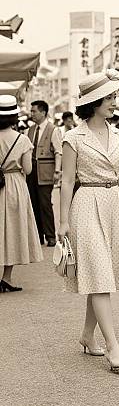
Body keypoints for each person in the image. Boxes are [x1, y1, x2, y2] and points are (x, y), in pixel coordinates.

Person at [59, 69, 119, 372]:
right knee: (100, 274)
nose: (114, 102)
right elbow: (67, 182)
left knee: (99, 276)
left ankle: (86, 335)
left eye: (115, 97)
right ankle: (112, 345)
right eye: (109, 97)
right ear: (93, 102)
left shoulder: (118, 135)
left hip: (114, 207)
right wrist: (63, 221)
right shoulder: (73, 137)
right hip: (87, 204)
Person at [0, 95, 43, 292]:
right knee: (12, 229)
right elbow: (28, 169)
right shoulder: (22, 139)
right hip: (14, 185)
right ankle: (6, 277)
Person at [27, 100, 62, 247]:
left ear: (43, 112)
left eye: (34, 111)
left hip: (46, 172)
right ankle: (38, 236)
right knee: (34, 204)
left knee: (45, 204)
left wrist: (57, 171)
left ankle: (50, 236)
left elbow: (59, 152)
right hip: (31, 171)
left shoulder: (53, 129)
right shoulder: (30, 129)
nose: (32, 114)